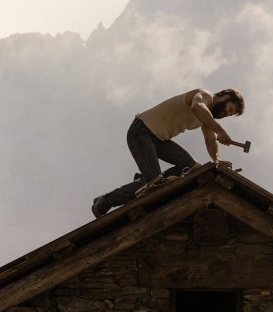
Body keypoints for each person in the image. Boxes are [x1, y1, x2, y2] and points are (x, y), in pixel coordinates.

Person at [92, 88, 245, 218]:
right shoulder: (205, 95)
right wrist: (221, 130)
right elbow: (197, 107)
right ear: (225, 96)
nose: (226, 114)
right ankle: (107, 200)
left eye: (230, 114)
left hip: (159, 140)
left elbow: (211, 141)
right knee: (153, 184)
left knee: (191, 167)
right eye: (229, 109)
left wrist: (217, 160)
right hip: (141, 131)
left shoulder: (207, 119)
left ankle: (151, 179)